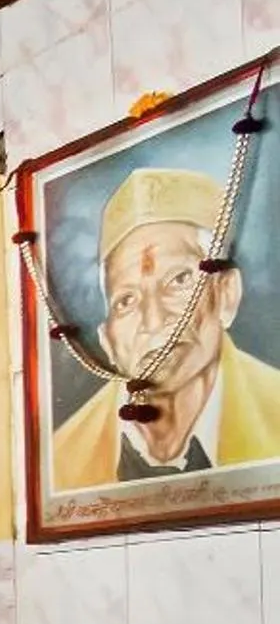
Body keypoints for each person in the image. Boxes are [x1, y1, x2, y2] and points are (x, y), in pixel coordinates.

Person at [53, 165, 280, 486]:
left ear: (226, 294)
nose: (154, 318)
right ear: (108, 342)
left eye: (179, 279)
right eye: (126, 300)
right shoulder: (64, 460)